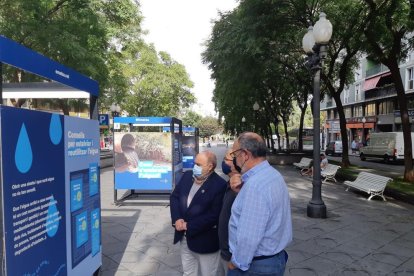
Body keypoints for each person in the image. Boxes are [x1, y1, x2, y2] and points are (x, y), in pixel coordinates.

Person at [227, 132, 292, 275]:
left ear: (245, 154)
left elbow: (248, 237)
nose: (234, 160)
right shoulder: (273, 175)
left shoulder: (255, 186)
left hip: (255, 266)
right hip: (273, 258)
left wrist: (236, 263)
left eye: (235, 155)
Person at [170, 151, 227, 276]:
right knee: (188, 273)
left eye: (199, 164)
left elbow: (214, 215)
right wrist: (177, 218)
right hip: (184, 238)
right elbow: (175, 197)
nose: (194, 167)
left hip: (205, 242)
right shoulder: (187, 176)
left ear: (210, 166)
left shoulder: (220, 185)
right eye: (195, 163)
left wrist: (188, 226)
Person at [217, 150, 241, 276]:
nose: (224, 162)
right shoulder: (229, 184)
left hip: (233, 256)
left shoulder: (241, 188)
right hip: (225, 251)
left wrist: (236, 259)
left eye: (227, 159)